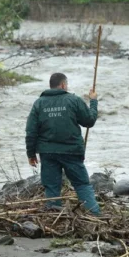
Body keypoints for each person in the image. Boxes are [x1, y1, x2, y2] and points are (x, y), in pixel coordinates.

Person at [25, 72, 100, 215]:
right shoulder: (74, 100)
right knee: (82, 184)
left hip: (47, 153)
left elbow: (31, 131)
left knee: (52, 187)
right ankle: (95, 215)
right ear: (64, 85)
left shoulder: (39, 104)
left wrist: (31, 154)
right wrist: (93, 101)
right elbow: (89, 121)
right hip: (72, 152)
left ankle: (54, 217)